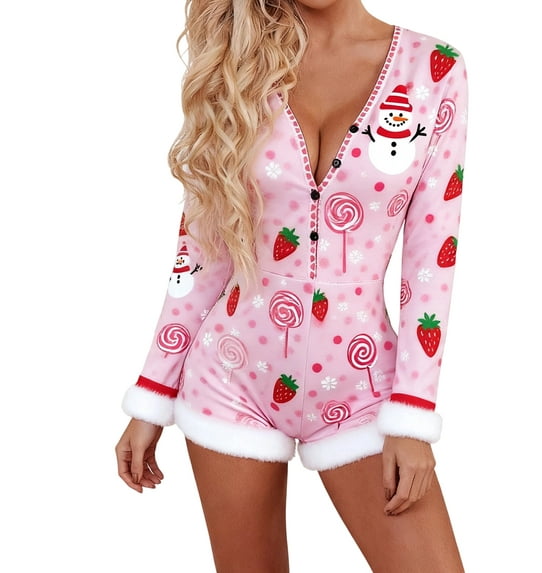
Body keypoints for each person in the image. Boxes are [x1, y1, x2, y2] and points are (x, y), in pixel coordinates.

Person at [115, 0, 468, 571]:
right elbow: (202, 248)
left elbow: (433, 257)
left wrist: (411, 414)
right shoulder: (241, 63)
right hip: (230, 379)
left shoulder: (433, 68)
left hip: (363, 388)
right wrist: (152, 393)